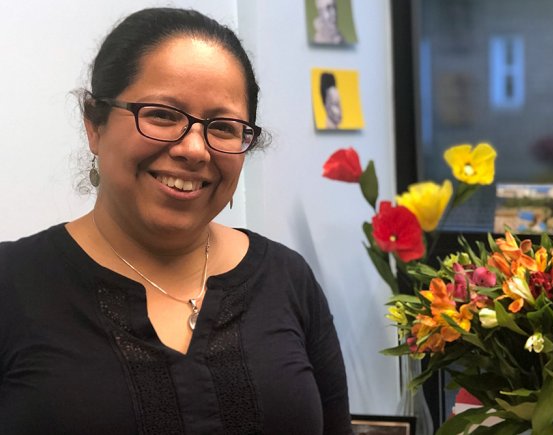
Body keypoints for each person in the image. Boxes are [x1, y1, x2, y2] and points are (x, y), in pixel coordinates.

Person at [0, 8, 351, 434]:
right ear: (95, 124)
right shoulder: (13, 284)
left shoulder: (287, 279)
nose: (194, 150)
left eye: (223, 127)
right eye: (163, 115)